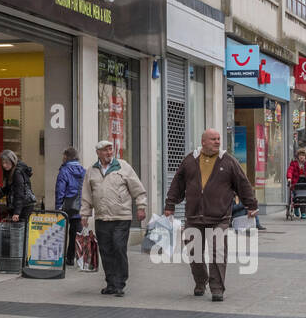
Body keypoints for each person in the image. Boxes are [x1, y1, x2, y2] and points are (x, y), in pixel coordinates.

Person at [164, 129, 256, 302]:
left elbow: (242, 184)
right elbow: (177, 183)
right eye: (213, 139)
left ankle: (217, 289)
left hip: (219, 217)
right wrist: (170, 204)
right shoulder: (190, 160)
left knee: (218, 253)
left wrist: (251, 205)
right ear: (203, 141)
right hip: (193, 216)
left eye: (219, 139)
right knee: (193, 253)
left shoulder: (228, 161)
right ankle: (201, 281)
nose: (217, 142)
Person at [81, 140, 147, 297]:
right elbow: (86, 195)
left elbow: (138, 189)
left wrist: (141, 207)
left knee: (118, 247)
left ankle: (120, 283)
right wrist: (84, 214)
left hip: (121, 216)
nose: (109, 152)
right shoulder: (92, 170)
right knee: (106, 251)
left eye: (110, 149)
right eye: (105, 150)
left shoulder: (123, 167)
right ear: (98, 153)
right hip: (102, 218)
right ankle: (110, 283)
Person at [53, 147, 85, 268]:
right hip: (80, 206)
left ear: (67, 157)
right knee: (76, 233)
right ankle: (77, 258)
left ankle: (62, 257)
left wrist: (58, 207)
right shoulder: (83, 170)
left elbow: (60, 191)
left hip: (67, 206)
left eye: (64, 156)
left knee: (61, 233)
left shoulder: (64, 171)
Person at [0, 149, 37, 223]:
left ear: (12, 161)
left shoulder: (17, 173)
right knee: (19, 231)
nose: (4, 165)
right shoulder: (10, 171)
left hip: (24, 206)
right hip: (22, 205)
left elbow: (19, 192)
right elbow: (11, 188)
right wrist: (1, 191)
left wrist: (17, 212)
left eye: (6, 162)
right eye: (3, 163)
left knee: (19, 231)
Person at [286, 147, 306, 219]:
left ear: (305, 156)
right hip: (296, 181)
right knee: (296, 196)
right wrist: (289, 178)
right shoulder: (294, 162)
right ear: (297, 156)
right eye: (300, 155)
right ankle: (295, 207)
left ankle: (304, 212)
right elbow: (290, 170)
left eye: (303, 155)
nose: (301, 156)